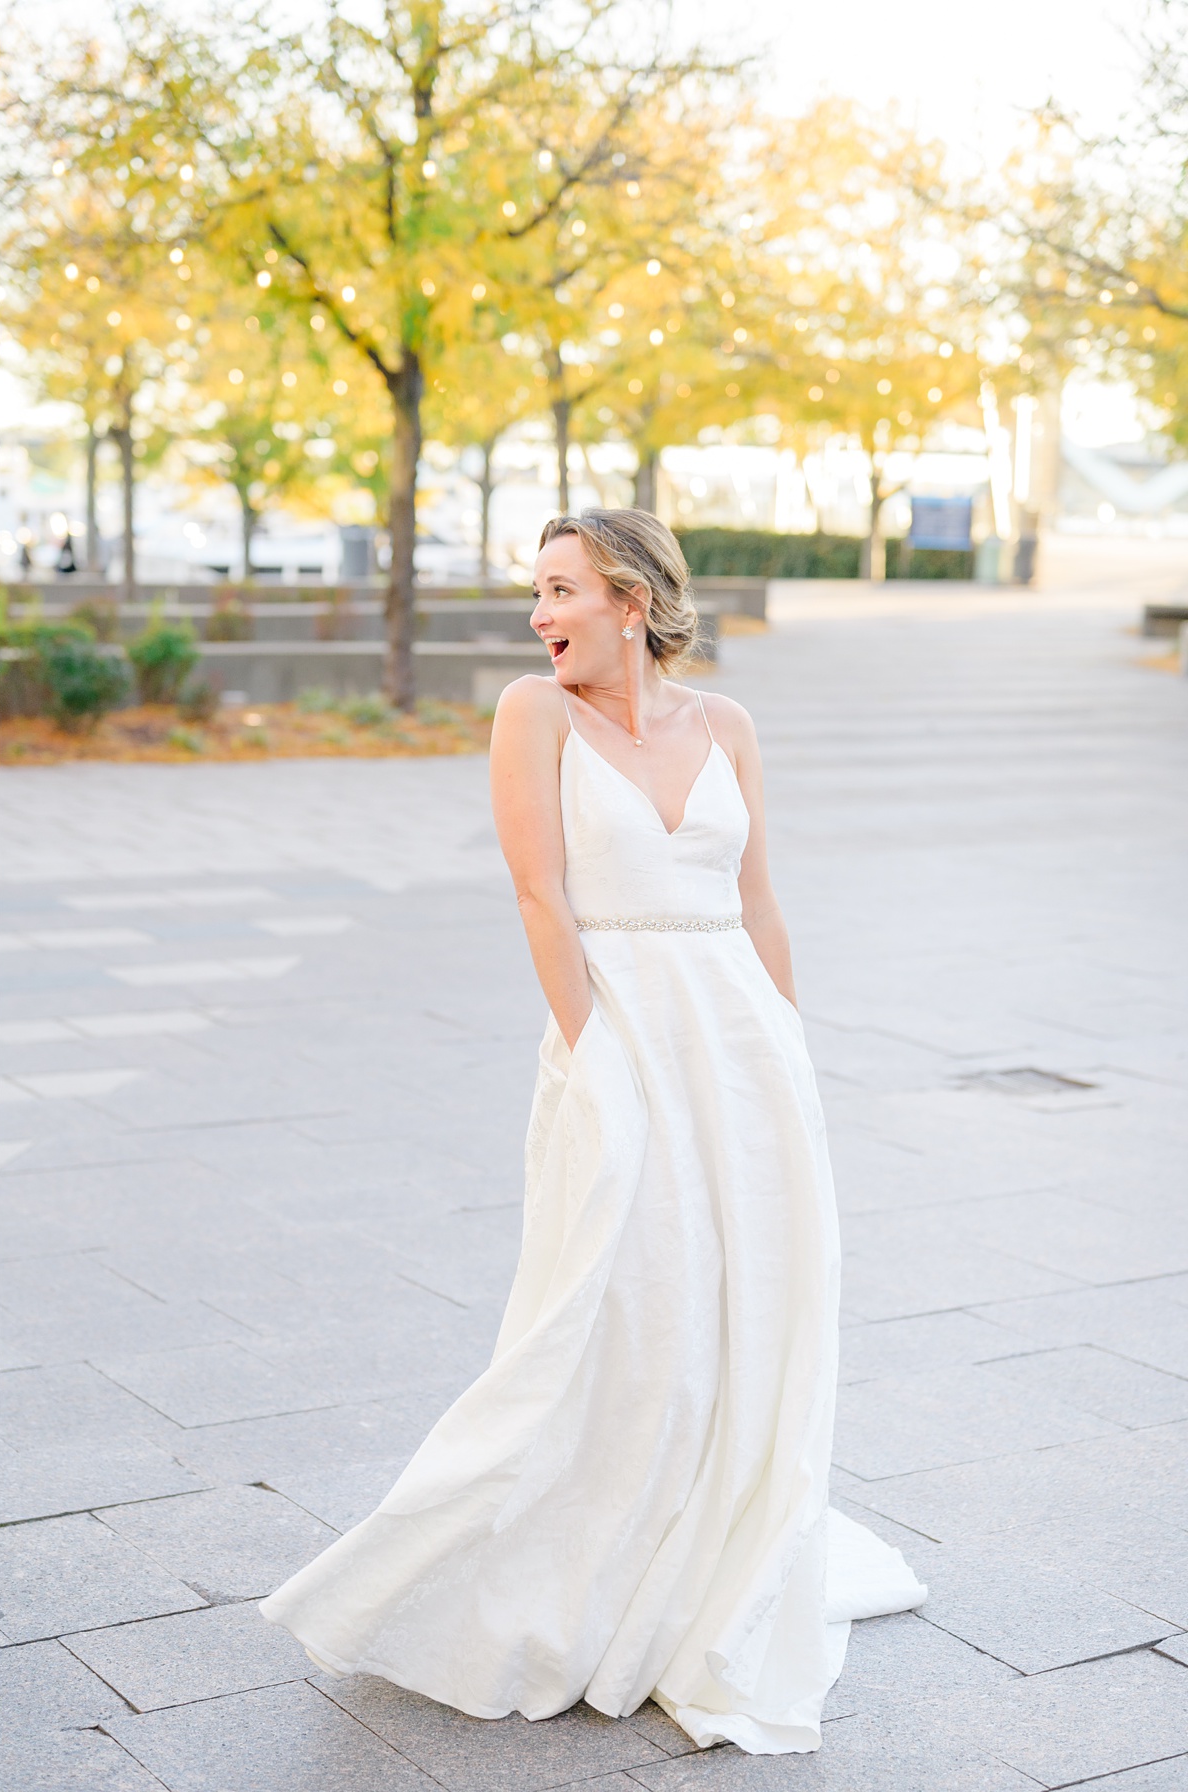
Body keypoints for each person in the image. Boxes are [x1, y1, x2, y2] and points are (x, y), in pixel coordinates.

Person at [260, 509, 925, 1754]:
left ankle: (708, 1547)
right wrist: (597, 1056)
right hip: (616, 1032)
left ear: (631, 598)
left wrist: (793, 1055)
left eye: (560, 589)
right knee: (614, 1308)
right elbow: (540, 894)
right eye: (537, 592)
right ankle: (555, 1556)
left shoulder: (727, 725)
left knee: (746, 1304)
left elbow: (760, 900)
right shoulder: (535, 714)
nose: (538, 615)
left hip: (742, 1049)